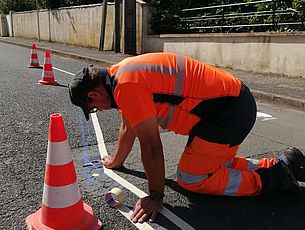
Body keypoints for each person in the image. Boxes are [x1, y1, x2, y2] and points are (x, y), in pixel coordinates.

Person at [69, 52, 305, 223]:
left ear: (93, 95)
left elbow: (152, 147)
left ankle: (272, 179)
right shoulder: (120, 73)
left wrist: (155, 196)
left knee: (191, 178)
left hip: (225, 113)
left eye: (93, 108)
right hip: (233, 102)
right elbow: (127, 127)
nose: (98, 111)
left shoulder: (126, 86)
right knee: (214, 165)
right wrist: (115, 161)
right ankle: (281, 164)